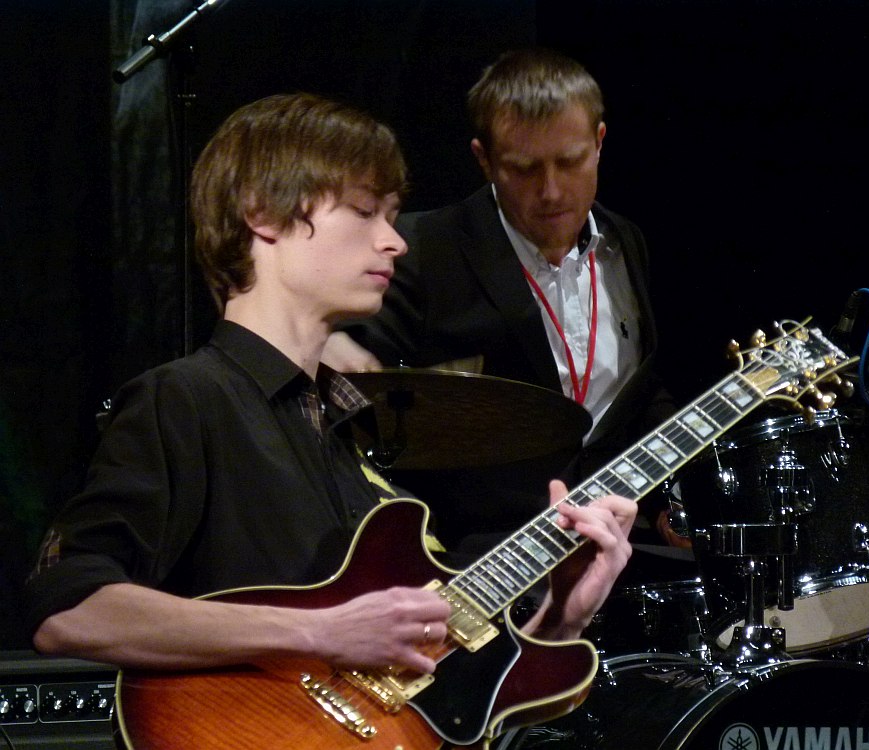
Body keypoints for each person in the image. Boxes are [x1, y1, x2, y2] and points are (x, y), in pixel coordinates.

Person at [23, 93, 636, 700]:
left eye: (392, 218)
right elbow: (68, 608)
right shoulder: (188, 398)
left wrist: (561, 617)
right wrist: (319, 631)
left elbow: (425, 701)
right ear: (263, 214)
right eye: (366, 211)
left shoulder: (350, 437)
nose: (395, 242)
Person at [324, 48, 679, 562]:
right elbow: (351, 391)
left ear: (600, 143)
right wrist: (331, 342)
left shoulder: (626, 243)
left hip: (613, 539)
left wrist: (671, 496)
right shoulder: (422, 251)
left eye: (570, 160)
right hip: (475, 556)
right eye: (524, 168)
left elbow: (640, 391)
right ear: (483, 159)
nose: (551, 190)